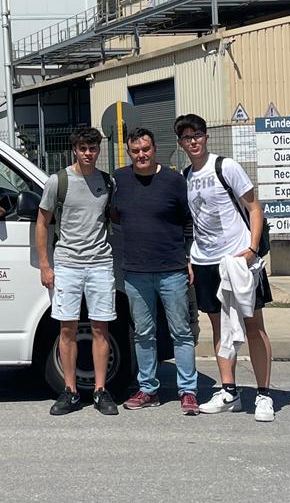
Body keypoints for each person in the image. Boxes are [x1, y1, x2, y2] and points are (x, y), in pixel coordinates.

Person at [175, 114, 275, 422]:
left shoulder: (225, 166)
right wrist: (190, 257)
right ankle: (229, 390)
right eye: (187, 137)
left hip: (238, 260)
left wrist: (252, 249)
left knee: (253, 326)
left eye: (197, 135)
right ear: (180, 143)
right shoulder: (185, 176)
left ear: (206, 137)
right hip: (206, 261)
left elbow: (254, 207)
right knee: (220, 328)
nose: (193, 141)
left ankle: (264, 394)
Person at [112, 128, 199, 415]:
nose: (141, 155)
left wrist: (188, 256)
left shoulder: (174, 180)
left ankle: (188, 391)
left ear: (155, 148)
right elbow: (113, 215)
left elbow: (188, 220)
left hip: (172, 269)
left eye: (146, 149)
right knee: (143, 333)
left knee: (181, 332)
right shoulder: (119, 179)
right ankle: (148, 389)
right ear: (129, 152)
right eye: (135, 151)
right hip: (135, 271)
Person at [34, 125, 118, 416]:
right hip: (67, 263)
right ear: (74, 150)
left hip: (100, 263)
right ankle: (69, 391)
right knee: (66, 329)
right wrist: (44, 265)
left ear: (98, 150)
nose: (88, 153)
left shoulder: (107, 182)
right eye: (83, 148)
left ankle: (100, 390)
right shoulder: (58, 182)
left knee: (100, 328)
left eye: (92, 148)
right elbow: (42, 222)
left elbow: (113, 217)